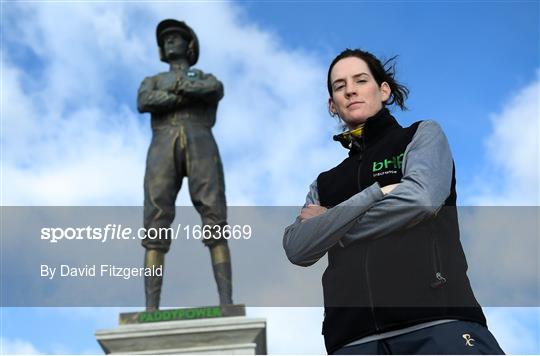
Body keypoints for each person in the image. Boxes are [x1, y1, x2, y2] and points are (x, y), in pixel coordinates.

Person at [283, 49, 504, 354]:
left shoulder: (421, 136)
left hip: (438, 323)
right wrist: (376, 193)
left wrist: (332, 224)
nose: (350, 89)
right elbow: (297, 246)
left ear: (383, 90)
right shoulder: (325, 183)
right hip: (352, 339)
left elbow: (421, 200)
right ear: (332, 106)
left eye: (360, 80)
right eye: (339, 86)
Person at [137, 19, 232, 310]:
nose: (169, 42)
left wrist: (177, 90)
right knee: (155, 218)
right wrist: (184, 90)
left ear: (189, 45)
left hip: (200, 137)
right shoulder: (152, 79)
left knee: (214, 213)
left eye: (176, 37)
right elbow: (144, 100)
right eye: (166, 39)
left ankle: (226, 301)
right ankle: (151, 307)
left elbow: (213, 89)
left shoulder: (205, 76)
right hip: (163, 141)